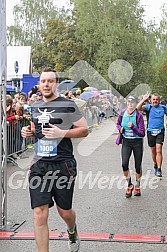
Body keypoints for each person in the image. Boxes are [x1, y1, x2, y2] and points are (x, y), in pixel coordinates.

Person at [21, 67, 88, 252]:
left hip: (63, 163)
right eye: (43, 81)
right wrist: (28, 131)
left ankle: (72, 230)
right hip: (39, 164)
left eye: (50, 81)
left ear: (56, 83)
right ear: (39, 84)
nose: (46, 84)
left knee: (64, 212)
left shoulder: (67, 104)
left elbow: (84, 129)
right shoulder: (34, 106)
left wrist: (62, 133)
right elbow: (36, 129)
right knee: (39, 212)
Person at [116, 96, 145, 198]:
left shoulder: (139, 115)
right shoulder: (122, 113)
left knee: (138, 166)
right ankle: (129, 185)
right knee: (124, 164)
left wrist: (133, 127)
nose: (130, 104)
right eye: (129, 102)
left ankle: (137, 185)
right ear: (126, 103)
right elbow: (118, 124)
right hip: (126, 142)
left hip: (137, 142)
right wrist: (120, 129)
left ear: (135, 104)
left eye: (132, 102)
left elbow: (142, 133)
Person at [137, 93, 167, 177]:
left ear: (159, 100)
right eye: (153, 99)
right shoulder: (149, 107)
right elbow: (138, 108)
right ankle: (155, 164)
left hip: (160, 131)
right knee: (153, 151)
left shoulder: (163, 108)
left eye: (157, 99)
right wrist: (143, 99)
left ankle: (159, 168)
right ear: (151, 100)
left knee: (159, 150)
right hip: (150, 132)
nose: (155, 101)